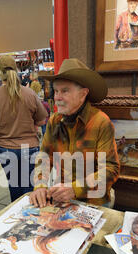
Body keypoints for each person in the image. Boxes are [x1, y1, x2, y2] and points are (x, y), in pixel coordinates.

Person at [29, 58, 120, 208]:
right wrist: (40, 185)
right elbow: (44, 157)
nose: (57, 97)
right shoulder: (54, 121)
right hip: (62, 199)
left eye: (64, 91)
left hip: (94, 202)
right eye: (56, 91)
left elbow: (111, 170)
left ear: (83, 94)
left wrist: (75, 189)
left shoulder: (101, 122)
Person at [0, 55, 47, 202]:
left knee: (14, 186)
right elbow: (42, 120)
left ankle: (18, 216)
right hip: (29, 147)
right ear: (16, 70)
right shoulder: (30, 94)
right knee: (31, 188)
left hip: (5, 148)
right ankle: (33, 217)